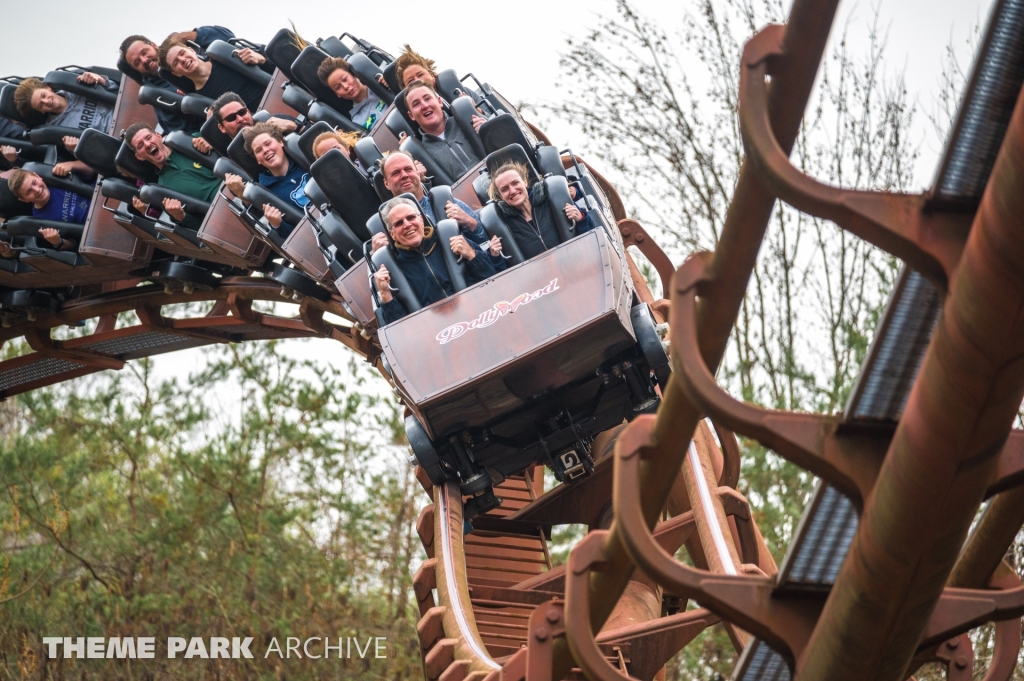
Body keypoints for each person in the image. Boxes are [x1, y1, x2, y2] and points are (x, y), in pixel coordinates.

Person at [373, 196, 498, 324]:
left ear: (421, 220)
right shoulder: (392, 272)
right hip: (437, 334)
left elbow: (492, 280)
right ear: (392, 234)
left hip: (480, 314)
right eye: (399, 223)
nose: (407, 224)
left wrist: (473, 256)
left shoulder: (450, 238)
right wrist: (385, 294)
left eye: (411, 217)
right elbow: (401, 329)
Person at [373, 151, 503, 271]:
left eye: (408, 169)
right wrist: (381, 257)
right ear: (386, 183)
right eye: (396, 173)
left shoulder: (446, 203)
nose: (404, 175)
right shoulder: (385, 227)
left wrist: (471, 224)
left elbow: (487, 247)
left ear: (417, 172)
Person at [119, 26, 235, 132]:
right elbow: (185, 133)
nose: (144, 60)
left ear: (154, 45)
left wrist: (186, 36)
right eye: (137, 62)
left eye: (144, 52)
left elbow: (228, 37)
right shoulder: (160, 97)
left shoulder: (181, 50)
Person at [124, 121, 221, 231]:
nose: (147, 144)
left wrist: (212, 142)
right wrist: (181, 216)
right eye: (140, 145)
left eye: (148, 137)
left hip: (239, 185)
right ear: (139, 157)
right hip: (221, 217)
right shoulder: (164, 192)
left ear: (159, 136)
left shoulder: (188, 142)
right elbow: (201, 227)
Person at [489, 161, 594, 260]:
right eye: (504, 189)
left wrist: (580, 219)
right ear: (501, 196)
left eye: (515, 183)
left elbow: (592, 237)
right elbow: (505, 269)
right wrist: (496, 256)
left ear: (525, 181)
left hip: (576, 260)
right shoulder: (504, 224)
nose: (512, 191)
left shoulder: (551, 200)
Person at [224, 122, 307, 239]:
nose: (266, 150)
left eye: (268, 144)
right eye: (258, 150)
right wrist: (277, 224)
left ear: (280, 142)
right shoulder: (265, 192)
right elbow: (293, 237)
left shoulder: (303, 159)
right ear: (257, 159)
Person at [13, 75, 118, 155]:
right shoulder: (57, 130)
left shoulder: (76, 86)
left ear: (48, 88)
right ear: (41, 111)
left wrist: (100, 80)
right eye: (41, 105)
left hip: (126, 111)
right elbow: (95, 155)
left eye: (44, 95)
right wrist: (76, 149)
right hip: (116, 139)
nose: (47, 101)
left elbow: (118, 90)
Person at [158, 38, 269, 112]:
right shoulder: (200, 101)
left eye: (182, 53)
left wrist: (262, 59)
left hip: (278, 96)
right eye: (176, 62)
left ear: (191, 50)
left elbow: (277, 67)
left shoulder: (226, 56)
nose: (182, 59)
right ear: (176, 73)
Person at [403, 80, 485, 181]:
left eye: (427, 98)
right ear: (411, 115)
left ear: (439, 102)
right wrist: (423, 180)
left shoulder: (466, 121)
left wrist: (488, 128)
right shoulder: (422, 154)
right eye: (416, 104)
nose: (424, 106)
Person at [2, 168, 88, 252]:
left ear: (37, 176)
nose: (37, 190)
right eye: (29, 192)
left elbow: (90, 172)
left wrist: (72, 164)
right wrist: (57, 242)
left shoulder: (55, 177)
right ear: (24, 200)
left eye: (34, 183)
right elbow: (74, 245)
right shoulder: (41, 221)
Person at [316, 57, 387, 130]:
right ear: (337, 94)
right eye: (337, 87)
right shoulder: (357, 122)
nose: (345, 86)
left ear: (354, 74)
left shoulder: (381, 84)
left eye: (345, 79)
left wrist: (391, 83)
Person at [208, 92, 300, 140]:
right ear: (222, 128)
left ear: (248, 111)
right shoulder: (236, 161)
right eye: (231, 118)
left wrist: (295, 127)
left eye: (242, 112)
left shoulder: (277, 120)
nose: (240, 119)